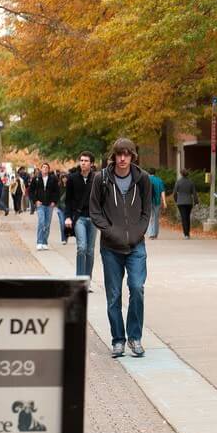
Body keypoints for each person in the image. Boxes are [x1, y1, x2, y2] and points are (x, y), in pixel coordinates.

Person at [90, 138, 152, 359]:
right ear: (114, 156)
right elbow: (95, 211)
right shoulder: (102, 179)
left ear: (133, 156)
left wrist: (138, 233)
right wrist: (111, 232)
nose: (123, 158)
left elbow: (147, 211)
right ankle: (118, 340)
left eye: (127, 154)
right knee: (113, 295)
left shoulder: (142, 179)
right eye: (119, 154)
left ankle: (135, 337)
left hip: (136, 246)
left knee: (137, 288)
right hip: (111, 247)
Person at [65, 152, 97, 280]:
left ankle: (87, 280)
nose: (83, 162)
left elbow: (102, 199)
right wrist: (67, 216)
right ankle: (79, 281)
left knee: (90, 250)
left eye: (86, 160)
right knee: (82, 248)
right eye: (81, 160)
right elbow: (68, 200)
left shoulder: (96, 179)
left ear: (92, 163)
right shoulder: (72, 178)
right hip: (79, 218)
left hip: (94, 219)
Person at [29, 162, 60, 250]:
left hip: (49, 205)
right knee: (41, 222)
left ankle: (45, 242)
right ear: (41, 169)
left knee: (47, 224)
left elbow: (57, 191)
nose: (45, 169)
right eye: (43, 167)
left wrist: (54, 201)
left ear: (49, 169)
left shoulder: (53, 179)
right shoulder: (36, 179)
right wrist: (35, 201)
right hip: (40, 204)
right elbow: (31, 191)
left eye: (46, 167)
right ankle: (39, 242)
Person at [173, 169, 198, 239]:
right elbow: (194, 193)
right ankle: (188, 233)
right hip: (189, 202)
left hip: (180, 202)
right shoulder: (191, 182)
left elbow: (174, 193)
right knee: (187, 217)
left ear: (181, 174)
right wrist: (196, 201)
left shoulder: (178, 182)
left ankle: (185, 233)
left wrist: (176, 200)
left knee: (183, 218)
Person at [148, 170, 168, 239]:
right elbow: (162, 191)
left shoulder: (146, 179)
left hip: (148, 202)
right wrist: (164, 202)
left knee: (150, 217)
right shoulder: (159, 180)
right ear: (155, 173)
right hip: (157, 201)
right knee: (156, 218)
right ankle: (155, 234)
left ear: (148, 173)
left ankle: (151, 233)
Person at [56, 172, 69, 246]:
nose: (64, 179)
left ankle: (66, 236)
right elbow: (56, 197)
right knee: (62, 223)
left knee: (66, 224)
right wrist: (58, 204)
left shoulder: (69, 186)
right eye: (63, 177)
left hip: (67, 208)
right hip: (60, 208)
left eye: (65, 177)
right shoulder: (58, 186)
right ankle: (63, 239)